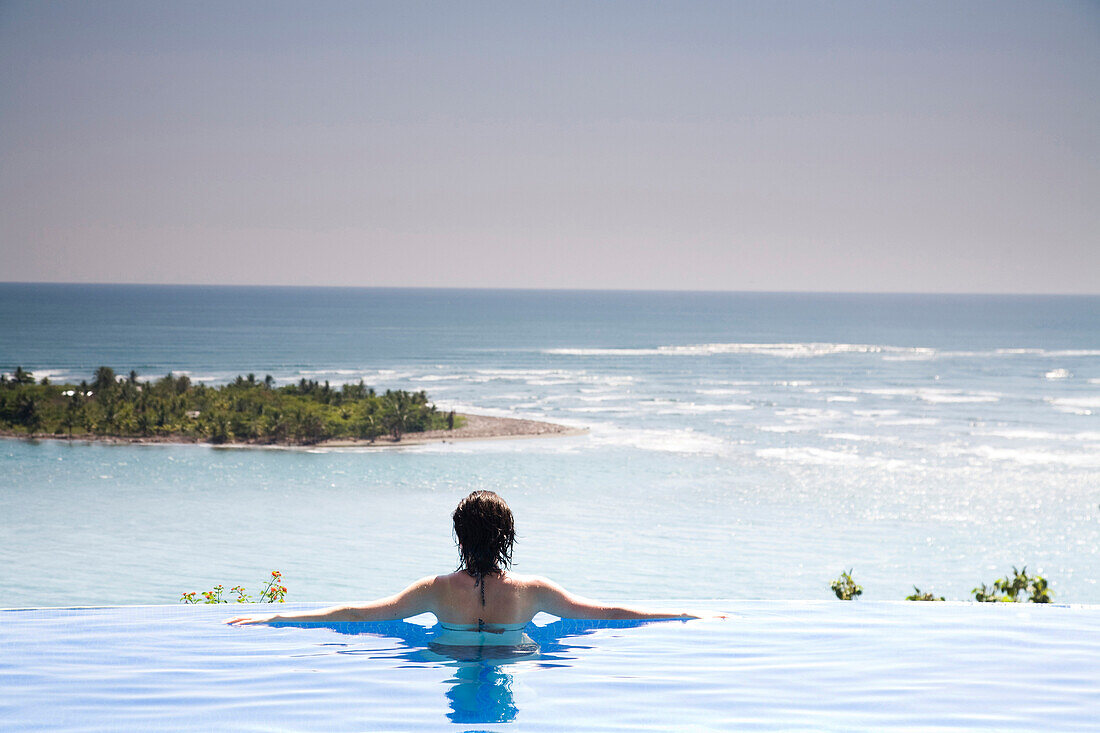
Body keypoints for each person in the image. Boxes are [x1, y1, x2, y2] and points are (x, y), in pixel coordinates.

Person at [226, 490, 697, 627]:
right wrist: (679, 613)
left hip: (444, 658)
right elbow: (609, 613)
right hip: (514, 659)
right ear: (507, 535)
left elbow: (355, 613)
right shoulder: (533, 592)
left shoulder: (434, 590)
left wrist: (277, 619)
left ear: (458, 535)